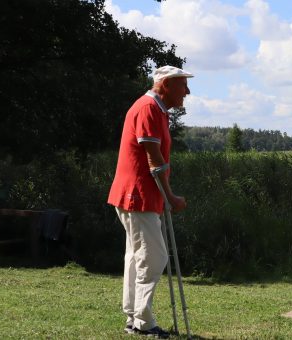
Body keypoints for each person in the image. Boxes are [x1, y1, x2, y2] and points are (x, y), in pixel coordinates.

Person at [107, 65, 193, 338]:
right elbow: (154, 160)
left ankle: (134, 317)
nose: (187, 92)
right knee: (153, 257)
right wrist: (171, 196)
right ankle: (143, 321)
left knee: (136, 257)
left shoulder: (155, 109)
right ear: (165, 85)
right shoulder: (148, 109)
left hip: (138, 194)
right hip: (139, 195)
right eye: (182, 86)